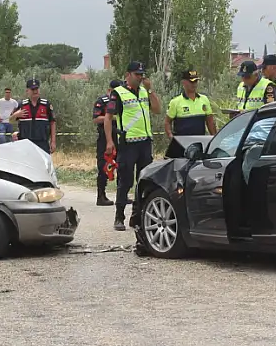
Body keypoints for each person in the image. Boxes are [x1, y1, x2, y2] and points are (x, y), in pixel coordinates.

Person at [104, 61, 161, 233]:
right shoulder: (118, 93)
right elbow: (108, 117)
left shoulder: (144, 92)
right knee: (125, 181)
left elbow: (157, 110)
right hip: (128, 143)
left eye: (142, 74)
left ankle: (137, 217)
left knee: (144, 182)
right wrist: (109, 141)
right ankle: (119, 216)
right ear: (128, 75)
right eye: (137, 74)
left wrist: (151, 90)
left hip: (145, 142)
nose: (141, 77)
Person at [92, 79, 123, 206]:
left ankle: (122, 195)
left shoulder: (123, 101)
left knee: (122, 166)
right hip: (105, 137)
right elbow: (95, 118)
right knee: (103, 166)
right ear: (110, 90)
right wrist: (110, 118)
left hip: (120, 136)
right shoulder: (102, 101)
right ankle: (101, 196)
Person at [165, 69, 216, 138]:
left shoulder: (204, 99)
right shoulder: (175, 102)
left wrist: (214, 138)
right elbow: (167, 122)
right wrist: (170, 136)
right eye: (191, 82)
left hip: (199, 142)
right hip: (181, 143)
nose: (194, 84)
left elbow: (210, 121)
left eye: (196, 81)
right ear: (183, 82)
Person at [11, 78, 57, 153]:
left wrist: (53, 141)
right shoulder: (21, 105)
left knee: (42, 164)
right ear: (27, 91)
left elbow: (52, 123)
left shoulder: (46, 105)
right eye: (32, 89)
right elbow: (10, 120)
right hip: (25, 143)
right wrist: (15, 115)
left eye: (37, 89)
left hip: (42, 142)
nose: (35, 91)